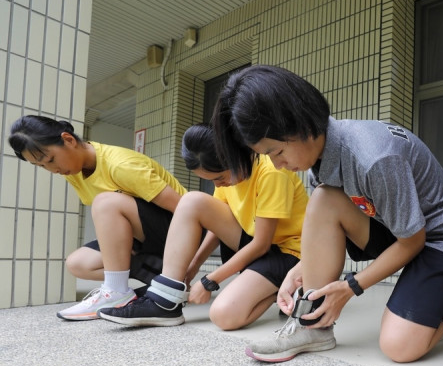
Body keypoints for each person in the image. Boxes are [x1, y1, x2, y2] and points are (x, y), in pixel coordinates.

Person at [211, 64, 443, 363]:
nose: (278, 165)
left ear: (300, 124)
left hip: (439, 239)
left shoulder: (373, 157)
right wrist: (299, 271)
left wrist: (350, 287)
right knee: (324, 199)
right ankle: (312, 326)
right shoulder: (321, 157)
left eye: (277, 152)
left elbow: (414, 241)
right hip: (396, 229)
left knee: (399, 347)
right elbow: (327, 229)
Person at [97, 123, 307, 329]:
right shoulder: (231, 175)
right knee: (192, 201)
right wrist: (192, 267)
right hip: (255, 244)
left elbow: (261, 244)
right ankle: (164, 299)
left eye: (219, 178)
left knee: (223, 316)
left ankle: (282, 288)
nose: (217, 185)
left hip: (288, 254)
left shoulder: (271, 173)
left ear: (234, 157)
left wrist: (210, 281)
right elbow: (215, 224)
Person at [8, 115, 187, 320]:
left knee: (105, 202)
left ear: (68, 140)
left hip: (176, 231)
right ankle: (156, 279)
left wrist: (191, 263)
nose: (52, 169)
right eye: (41, 166)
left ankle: (117, 292)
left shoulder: (120, 165)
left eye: (50, 160)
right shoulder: (73, 172)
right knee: (78, 263)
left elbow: (186, 210)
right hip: (146, 238)